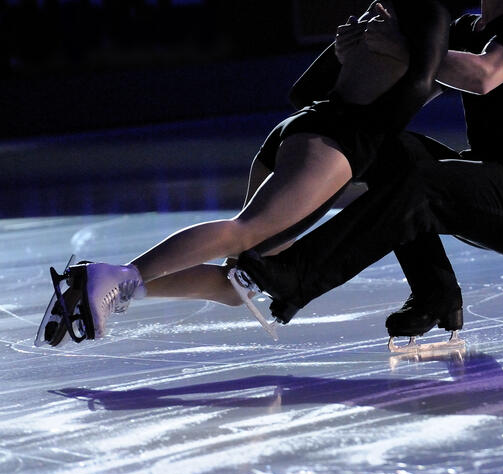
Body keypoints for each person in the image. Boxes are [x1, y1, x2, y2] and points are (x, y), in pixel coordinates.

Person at [38, 0, 470, 346]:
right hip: (340, 137)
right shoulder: (428, 11)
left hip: (303, 130)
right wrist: (377, 128)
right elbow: (418, 84)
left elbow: (302, 91)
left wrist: (356, 65)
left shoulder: (371, 16)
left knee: (237, 285)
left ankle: (103, 282)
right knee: (247, 231)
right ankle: (117, 277)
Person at [234, 0, 503, 349]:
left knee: (422, 184)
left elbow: (484, 75)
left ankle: (299, 275)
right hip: (483, 174)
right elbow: (398, 89)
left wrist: (403, 47)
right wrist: (348, 55)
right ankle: (435, 293)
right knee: (385, 148)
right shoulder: (463, 30)